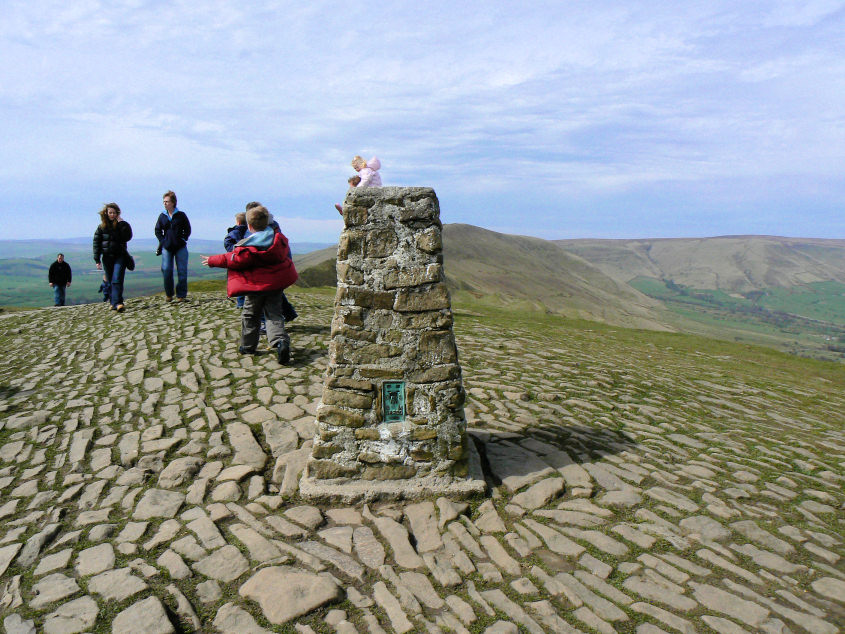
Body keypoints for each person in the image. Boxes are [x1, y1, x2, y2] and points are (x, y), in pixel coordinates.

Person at [201, 205, 298, 364]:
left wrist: (212, 260)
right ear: (267, 223)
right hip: (274, 287)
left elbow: (232, 258)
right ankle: (280, 342)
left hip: (255, 287)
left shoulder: (248, 245)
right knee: (274, 315)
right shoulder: (277, 240)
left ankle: (248, 346)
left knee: (250, 316)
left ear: (249, 226)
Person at [93, 203, 133, 312]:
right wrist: (97, 259)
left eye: (114, 213)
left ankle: (118, 303)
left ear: (117, 213)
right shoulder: (101, 227)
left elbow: (128, 236)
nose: (112, 215)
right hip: (107, 257)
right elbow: (96, 243)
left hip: (120, 256)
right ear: (106, 213)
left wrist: (122, 223)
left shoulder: (121, 225)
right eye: (110, 213)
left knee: (117, 279)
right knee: (110, 280)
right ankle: (113, 301)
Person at [154, 190, 191, 302]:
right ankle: (169, 294)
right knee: (166, 270)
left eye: (167, 201)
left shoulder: (181, 215)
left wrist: (183, 238)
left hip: (180, 247)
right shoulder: (162, 216)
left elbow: (188, 229)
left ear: (173, 202)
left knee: (182, 271)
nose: (165, 203)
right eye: (164, 201)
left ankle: (181, 295)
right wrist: (163, 241)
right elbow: (157, 230)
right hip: (167, 247)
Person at [224, 212, 248, 309]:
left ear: (237, 222)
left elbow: (227, 243)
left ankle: (241, 303)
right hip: (246, 258)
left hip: (235, 259)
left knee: (238, 281)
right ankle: (244, 301)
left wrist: (233, 251)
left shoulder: (233, 232)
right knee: (246, 280)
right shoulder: (249, 232)